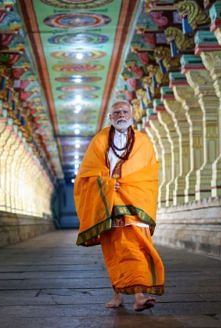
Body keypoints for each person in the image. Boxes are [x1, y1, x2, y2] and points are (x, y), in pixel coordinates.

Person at [74, 100, 165, 311]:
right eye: (117, 112)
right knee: (115, 250)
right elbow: (87, 172)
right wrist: (107, 183)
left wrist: (128, 185)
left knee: (137, 249)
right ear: (110, 117)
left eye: (125, 112)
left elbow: (148, 175)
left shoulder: (143, 142)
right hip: (109, 201)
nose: (121, 115)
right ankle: (118, 296)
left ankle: (140, 295)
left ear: (132, 115)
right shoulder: (100, 141)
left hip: (135, 202)